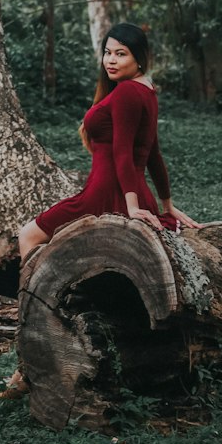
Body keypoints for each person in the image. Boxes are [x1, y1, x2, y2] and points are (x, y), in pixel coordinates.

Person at [18, 22, 200, 264]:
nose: (111, 61)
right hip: (127, 192)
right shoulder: (147, 90)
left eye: (121, 54)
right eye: (108, 52)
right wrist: (166, 205)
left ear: (140, 58)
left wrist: (133, 208)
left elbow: (122, 152)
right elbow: (153, 154)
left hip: (106, 194)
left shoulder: (127, 92)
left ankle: (35, 301)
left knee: (28, 236)